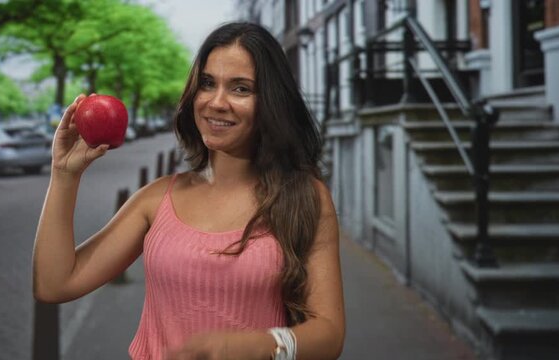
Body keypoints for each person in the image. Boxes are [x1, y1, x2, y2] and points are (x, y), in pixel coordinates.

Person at [32, 22, 344, 360]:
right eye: (208, 83)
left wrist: (249, 346)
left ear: (270, 101)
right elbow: (55, 284)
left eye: (241, 88)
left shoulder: (304, 196)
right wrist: (64, 175)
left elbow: (329, 334)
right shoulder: (156, 199)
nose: (216, 102)